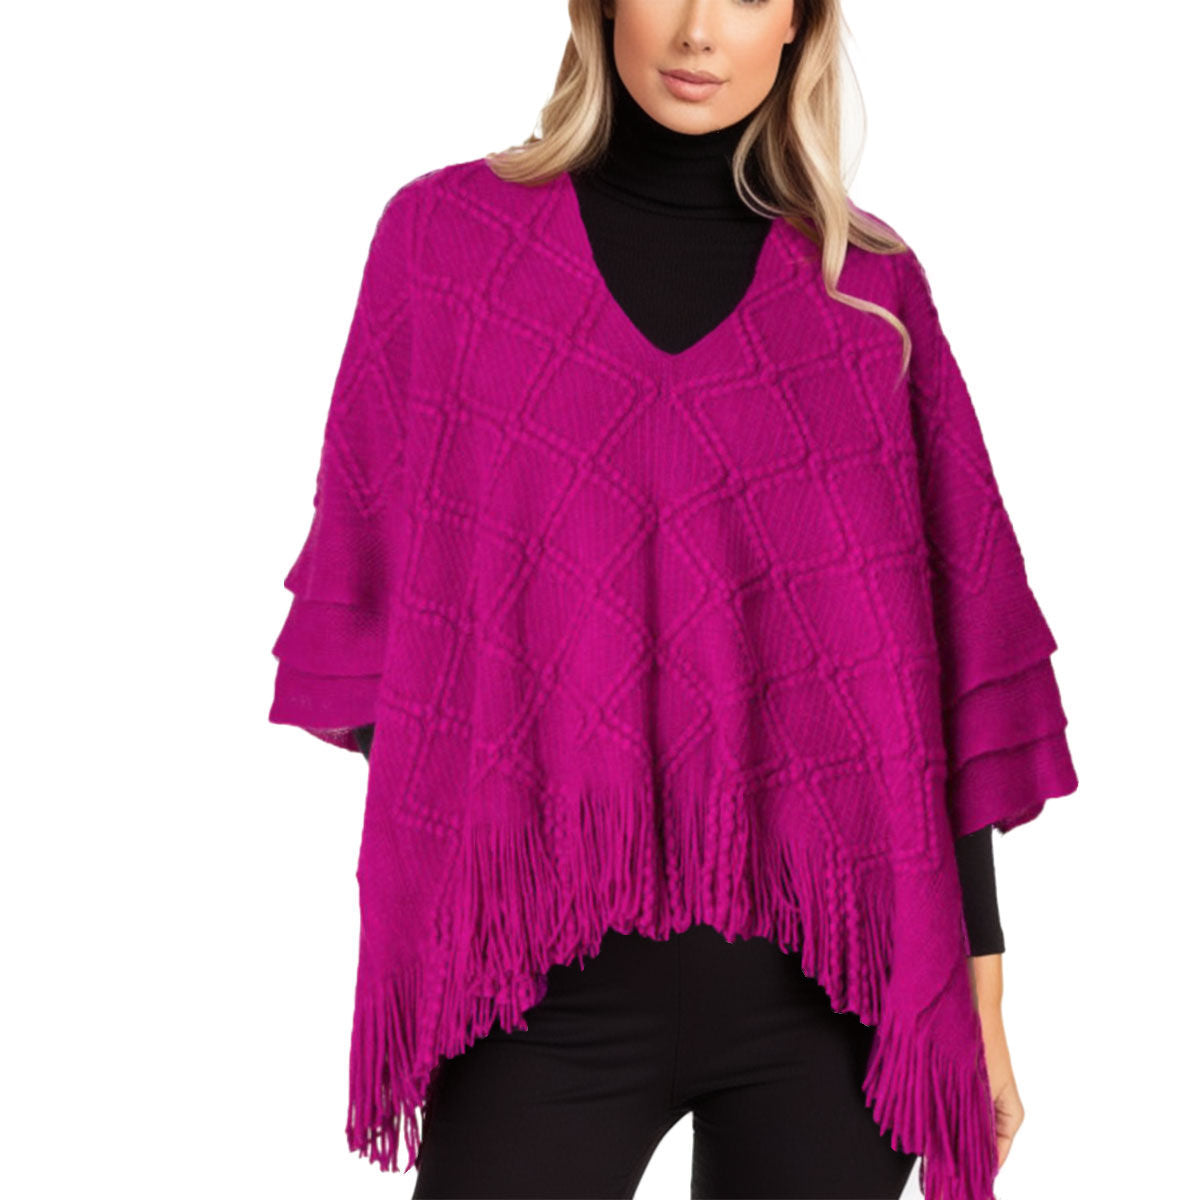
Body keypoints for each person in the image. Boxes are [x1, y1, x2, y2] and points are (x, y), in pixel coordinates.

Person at [268, 3, 1078, 1197]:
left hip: (830, 1001)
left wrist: (984, 999)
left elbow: (938, 676)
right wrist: (496, 877)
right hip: (536, 990)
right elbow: (390, 619)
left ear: (798, 22)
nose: (700, 31)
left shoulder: (869, 291)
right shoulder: (444, 246)